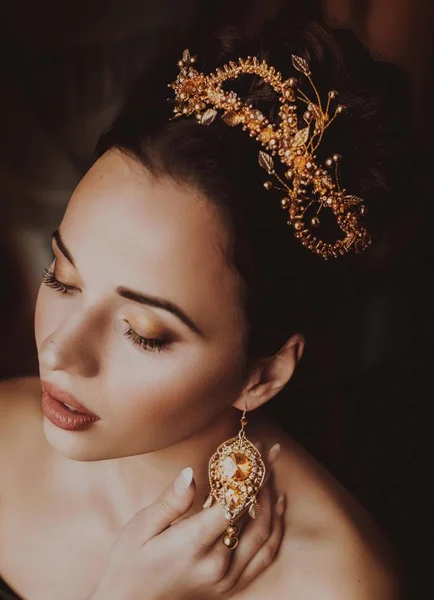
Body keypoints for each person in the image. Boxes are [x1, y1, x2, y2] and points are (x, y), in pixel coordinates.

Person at [0, 17, 409, 600]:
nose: (59, 351)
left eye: (143, 333)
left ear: (262, 375)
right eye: (63, 280)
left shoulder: (336, 584)